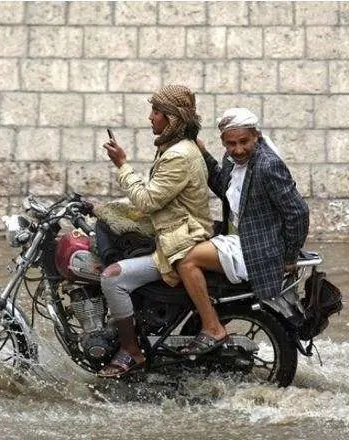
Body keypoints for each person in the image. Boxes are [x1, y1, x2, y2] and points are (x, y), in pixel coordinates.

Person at [98, 84, 222, 377]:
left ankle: (130, 350)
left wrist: (122, 165)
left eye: (156, 111)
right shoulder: (176, 149)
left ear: (172, 118)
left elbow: (147, 199)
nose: (150, 117)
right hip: (172, 230)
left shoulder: (178, 155)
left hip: (180, 239)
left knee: (112, 278)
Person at [175, 108, 309, 354]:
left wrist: (289, 257)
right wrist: (202, 152)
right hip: (237, 238)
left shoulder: (268, 166)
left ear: (256, 136)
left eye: (243, 142)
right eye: (230, 143)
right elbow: (222, 186)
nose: (237, 149)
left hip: (257, 249)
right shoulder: (233, 160)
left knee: (186, 260)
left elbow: (298, 213)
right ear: (223, 142)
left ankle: (213, 327)